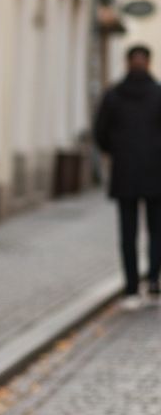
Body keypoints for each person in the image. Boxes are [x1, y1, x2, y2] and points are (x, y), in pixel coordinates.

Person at [93, 43, 161, 308]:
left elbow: (100, 134)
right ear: (148, 62)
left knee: (128, 232)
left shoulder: (113, 96)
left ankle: (132, 287)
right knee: (156, 230)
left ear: (127, 62)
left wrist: (118, 152)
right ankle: (153, 280)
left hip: (125, 174)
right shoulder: (158, 94)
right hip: (156, 173)